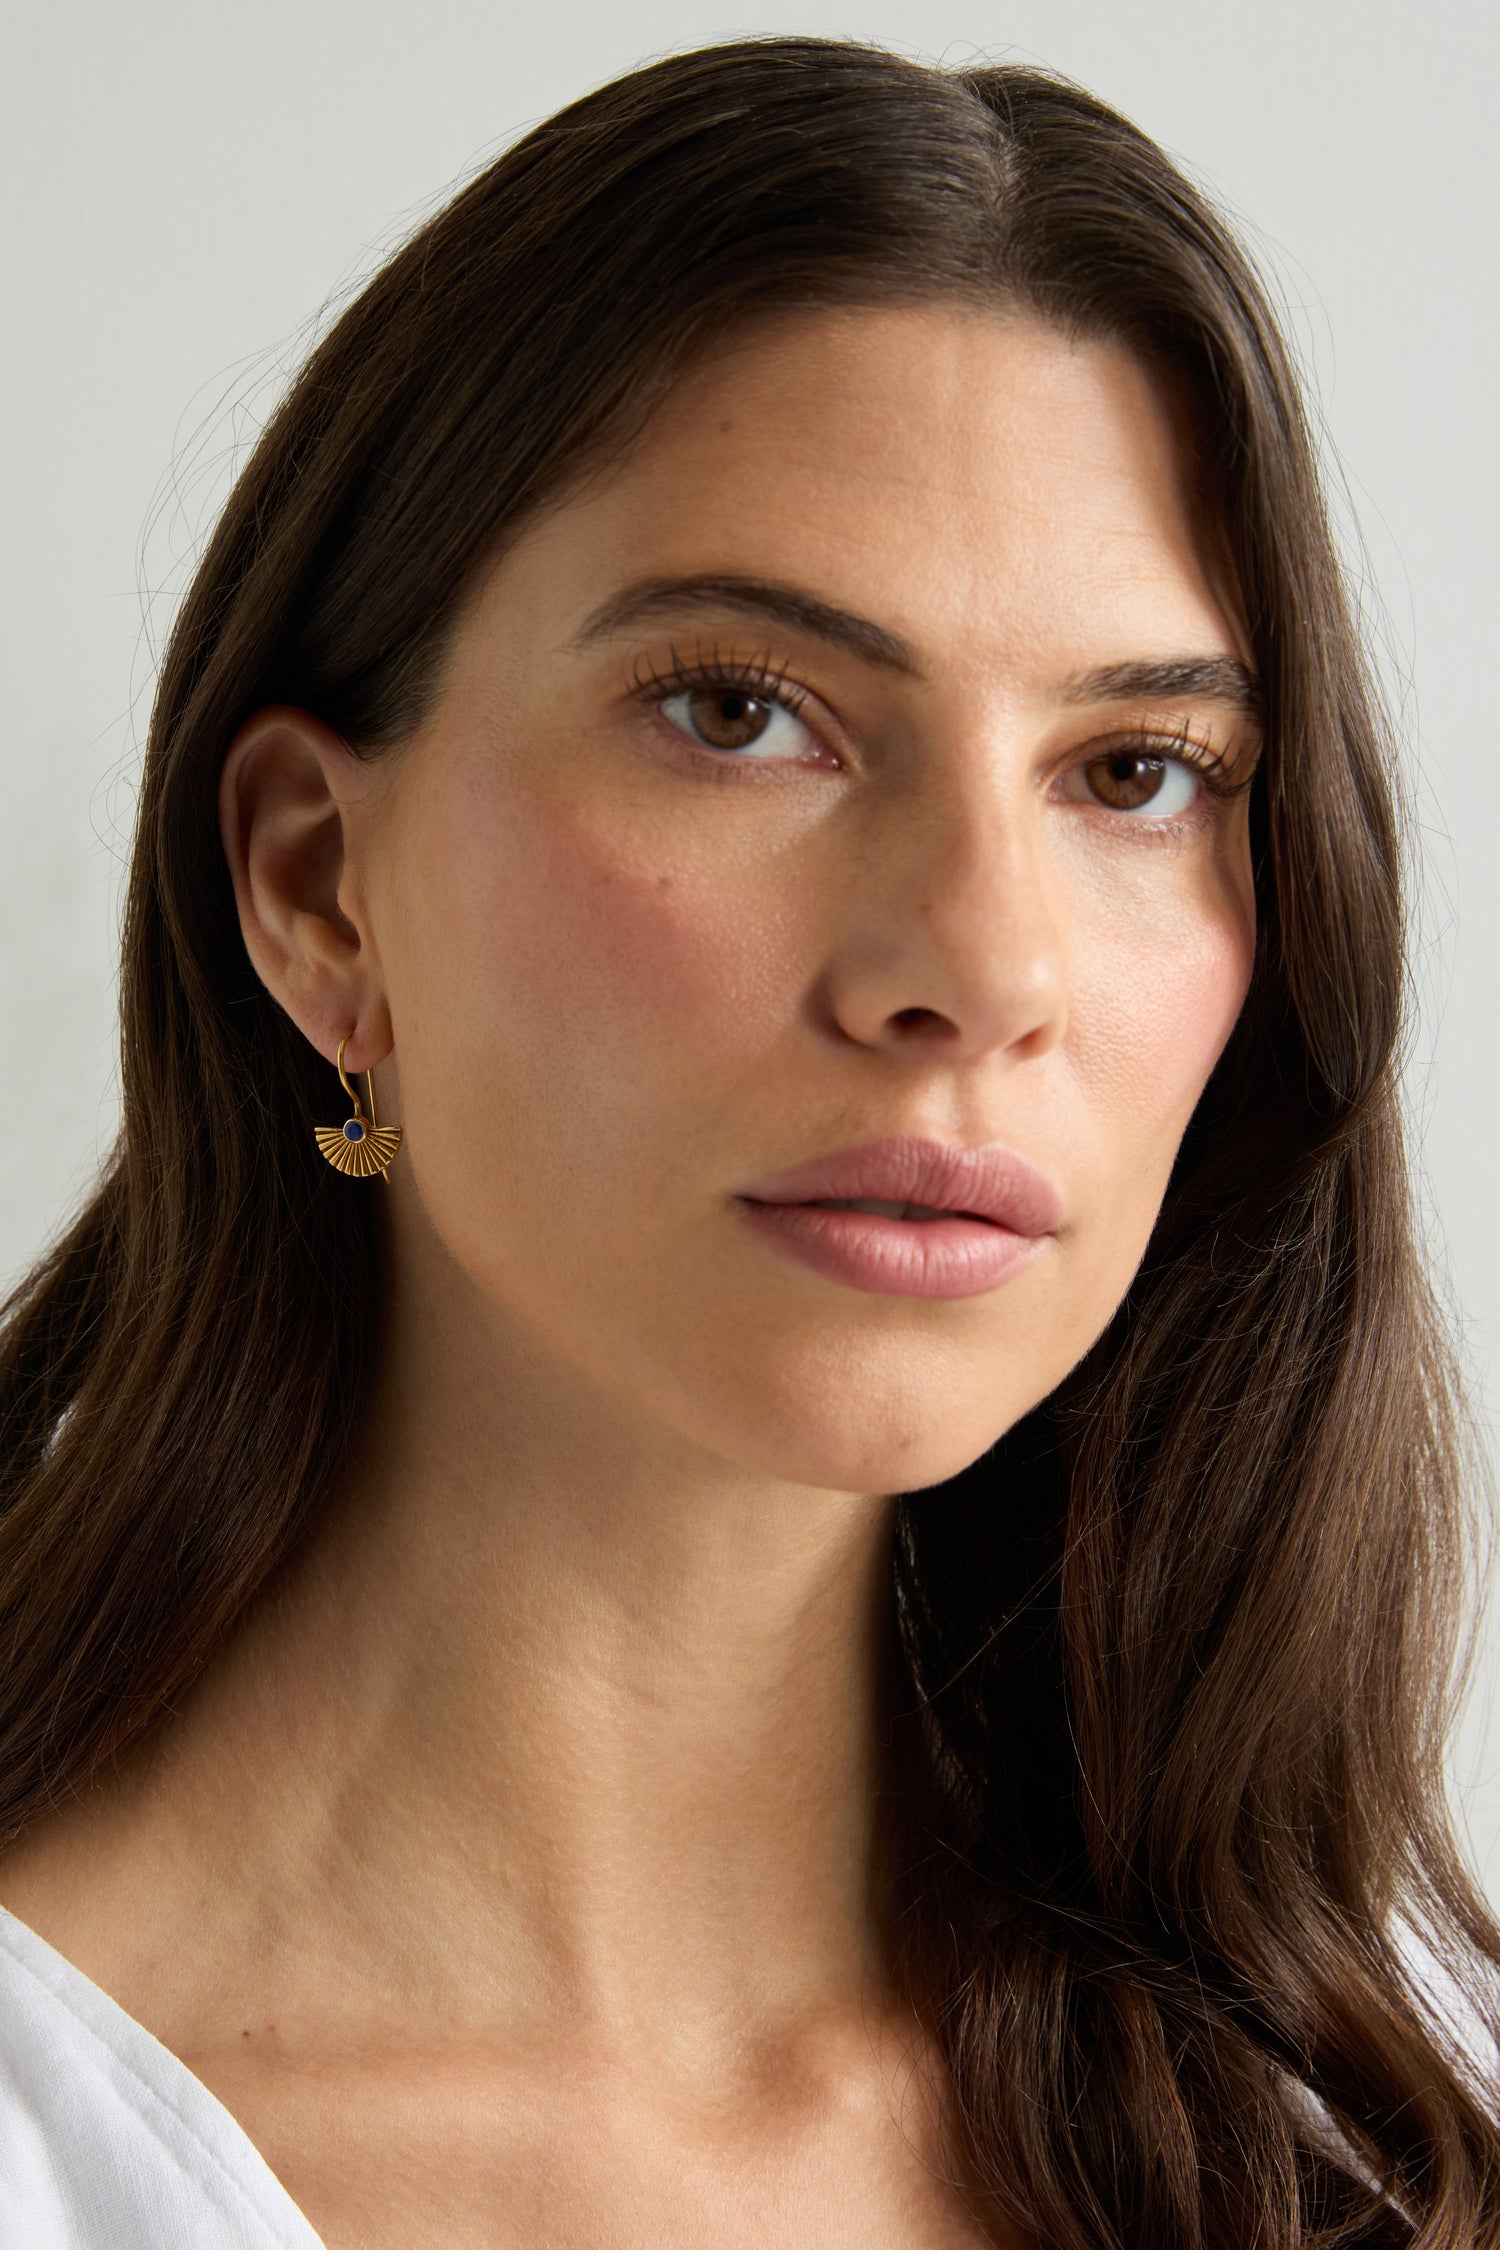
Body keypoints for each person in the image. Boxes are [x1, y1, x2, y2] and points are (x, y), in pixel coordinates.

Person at [0, 31, 1495, 2249]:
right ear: (321, 886)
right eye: (741, 714)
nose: (981, 968)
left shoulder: (1390, 2120)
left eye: (1134, 770)